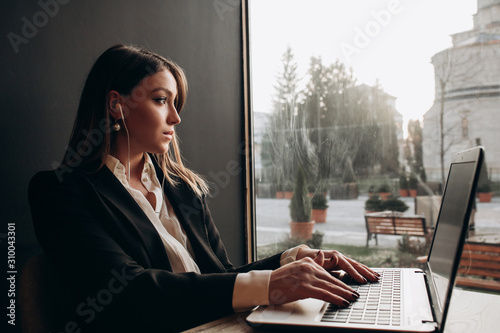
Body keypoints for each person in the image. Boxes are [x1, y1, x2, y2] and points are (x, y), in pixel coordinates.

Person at [28, 44, 379, 332]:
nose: (176, 119)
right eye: (161, 100)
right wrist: (273, 283)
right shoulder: (60, 192)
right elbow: (128, 294)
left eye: (175, 104)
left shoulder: (184, 190)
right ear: (117, 104)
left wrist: (290, 260)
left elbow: (219, 278)